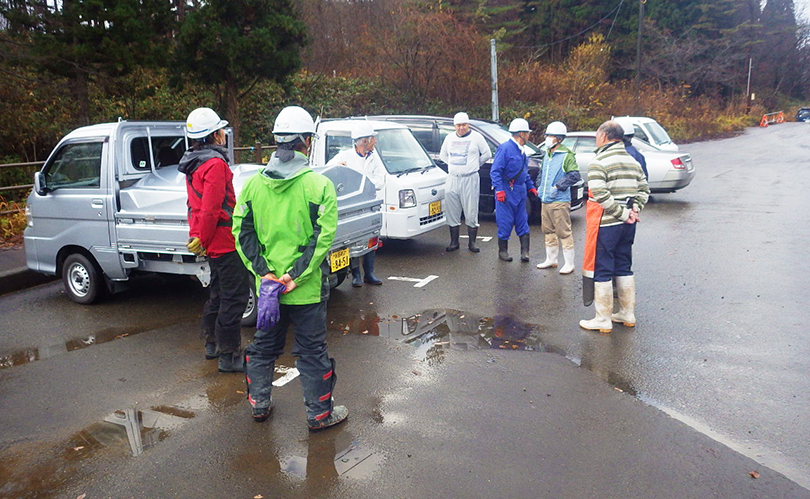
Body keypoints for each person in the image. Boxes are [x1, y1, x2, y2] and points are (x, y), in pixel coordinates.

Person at [232, 105, 348, 431]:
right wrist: (295, 276)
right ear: (306, 142)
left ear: (277, 142)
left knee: (265, 346)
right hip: (306, 290)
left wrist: (264, 273)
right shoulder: (318, 186)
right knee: (312, 352)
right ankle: (319, 415)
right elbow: (322, 239)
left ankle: (259, 405)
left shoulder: (254, 185)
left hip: (268, 290)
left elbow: (241, 233)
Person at [178, 107, 249, 373]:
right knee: (234, 298)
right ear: (214, 135)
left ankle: (211, 344)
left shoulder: (193, 161)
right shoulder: (215, 164)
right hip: (224, 240)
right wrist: (204, 237)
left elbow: (194, 206)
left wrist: (198, 237)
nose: (223, 134)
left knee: (218, 293)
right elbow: (210, 207)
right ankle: (229, 356)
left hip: (210, 241)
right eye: (220, 130)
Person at [580, 120, 650, 334]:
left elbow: (600, 194)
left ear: (604, 136)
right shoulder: (632, 161)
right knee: (623, 264)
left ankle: (603, 319)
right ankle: (627, 314)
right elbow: (644, 189)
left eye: (597, 134)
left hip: (607, 223)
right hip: (628, 224)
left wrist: (620, 213)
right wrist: (634, 210)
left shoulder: (598, 161)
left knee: (602, 266)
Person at [325, 122, 384, 287]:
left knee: (370, 237)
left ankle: (369, 273)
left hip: (369, 204)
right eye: (373, 139)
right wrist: (338, 167)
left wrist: (362, 182)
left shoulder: (373, 157)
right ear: (364, 141)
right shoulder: (344, 156)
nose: (375, 142)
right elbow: (327, 170)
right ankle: (356, 274)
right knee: (353, 240)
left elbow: (380, 181)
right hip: (352, 206)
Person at [439, 112, 492, 253]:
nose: (461, 128)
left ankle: (472, 242)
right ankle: (454, 242)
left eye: (464, 125)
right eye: (458, 125)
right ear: (454, 126)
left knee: (471, 210)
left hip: (470, 177)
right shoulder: (449, 138)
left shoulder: (477, 137)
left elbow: (487, 154)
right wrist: (452, 165)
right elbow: (442, 155)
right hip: (453, 177)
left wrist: (475, 165)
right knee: (452, 209)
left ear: (468, 124)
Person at [535, 121, 581, 274]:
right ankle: (551, 259)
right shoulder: (547, 154)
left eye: (550, 136)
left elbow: (574, 175)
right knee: (548, 230)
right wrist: (539, 187)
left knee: (563, 231)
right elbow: (542, 173)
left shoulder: (566, 155)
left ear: (559, 139)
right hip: (546, 200)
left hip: (560, 200)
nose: (547, 138)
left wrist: (557, 187)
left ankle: (569, 263)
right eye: (547, 135)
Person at [490, 118, 537, 262]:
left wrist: (531, 187)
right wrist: (499, 189)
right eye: (527, 133)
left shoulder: (523, 151)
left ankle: (525, 252)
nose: (529, 136)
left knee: (522, 220)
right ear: (521, 134)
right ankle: (503, 251)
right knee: (505, 220)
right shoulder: (505, 148)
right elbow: (495, 170)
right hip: (506, 190)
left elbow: (524, 172)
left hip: (520, 190)